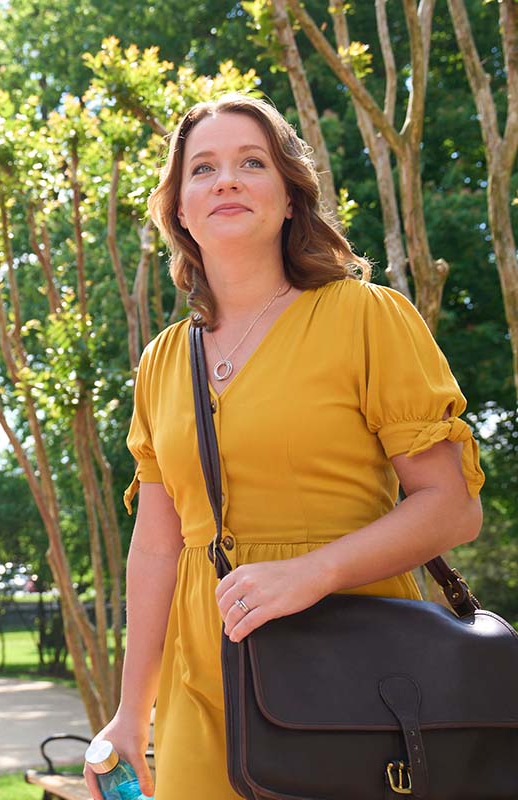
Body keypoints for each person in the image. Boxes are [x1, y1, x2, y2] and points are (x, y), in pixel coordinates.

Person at [83, 93, 485, 800]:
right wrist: (128, 714)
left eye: (251, 162)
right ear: (179, 208)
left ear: (291, 197)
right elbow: (156, 547)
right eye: (202, 169)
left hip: (350, 668)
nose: (226, 180)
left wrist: (314, 571)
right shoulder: (161, 362)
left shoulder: (366, 316)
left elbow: (449, 508)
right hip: (202, 685)